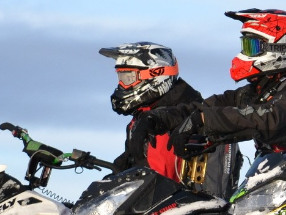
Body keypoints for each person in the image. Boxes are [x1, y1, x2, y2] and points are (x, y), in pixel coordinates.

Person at [143, 9, 286, 158]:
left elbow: (268, 119)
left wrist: (203, 120)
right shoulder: (261, 89)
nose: (244, 53)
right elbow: (213, 106)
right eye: (244, 45)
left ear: (282, 47)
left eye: (252, 46)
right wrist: (162, 118)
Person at [101, 41, 239, 198]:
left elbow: (159, 178)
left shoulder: (184, 118)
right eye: (120, 77)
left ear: (156, 74)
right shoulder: (144, 117)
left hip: (179, 212)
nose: (122, 85)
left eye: (128, 78)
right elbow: (132, 167)